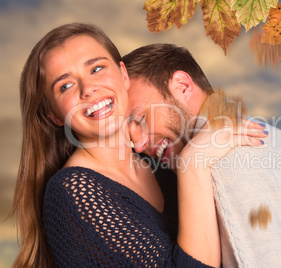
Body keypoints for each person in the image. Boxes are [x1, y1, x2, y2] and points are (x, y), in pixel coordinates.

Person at [10, 23, 267, 268]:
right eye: (65, 85)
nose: (88, 88)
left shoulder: (160, 163)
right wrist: (194, 164)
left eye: (96, 69)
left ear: (123, 75)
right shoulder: (73, 191)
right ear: (53, 115)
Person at [122, 44, 281, 267]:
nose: (138, 145)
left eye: (140, 117)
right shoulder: (265, 138)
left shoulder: (227, 162)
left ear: (182, 86)